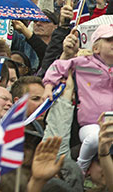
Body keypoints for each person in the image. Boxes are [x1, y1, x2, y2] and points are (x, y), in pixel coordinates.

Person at [43, 22, 113, 171]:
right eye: (109, 40)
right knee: (96, 139)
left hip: (111, 125)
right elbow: (58, 66)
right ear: (95, 48)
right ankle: (81, 168)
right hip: (90, 125)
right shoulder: (84, 63)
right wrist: (49, 86)